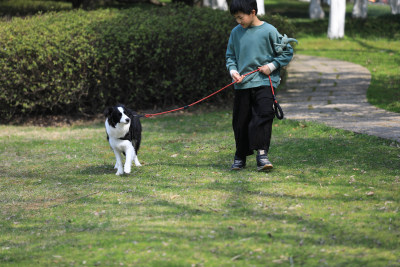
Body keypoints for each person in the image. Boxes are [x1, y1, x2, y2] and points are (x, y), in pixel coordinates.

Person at [226, 0, 294, 171]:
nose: (238, 22)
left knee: (263, 115)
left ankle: (262, 155)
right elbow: (230, 57)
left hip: (264, 82)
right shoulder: (236, 33)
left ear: (253, 12)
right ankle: (240, 156)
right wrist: (233, 72)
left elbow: (287, 51)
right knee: (241, 122)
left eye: (241, 18)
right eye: (236, 18)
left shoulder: (269, 30)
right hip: (242, 85)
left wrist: (271, 67)